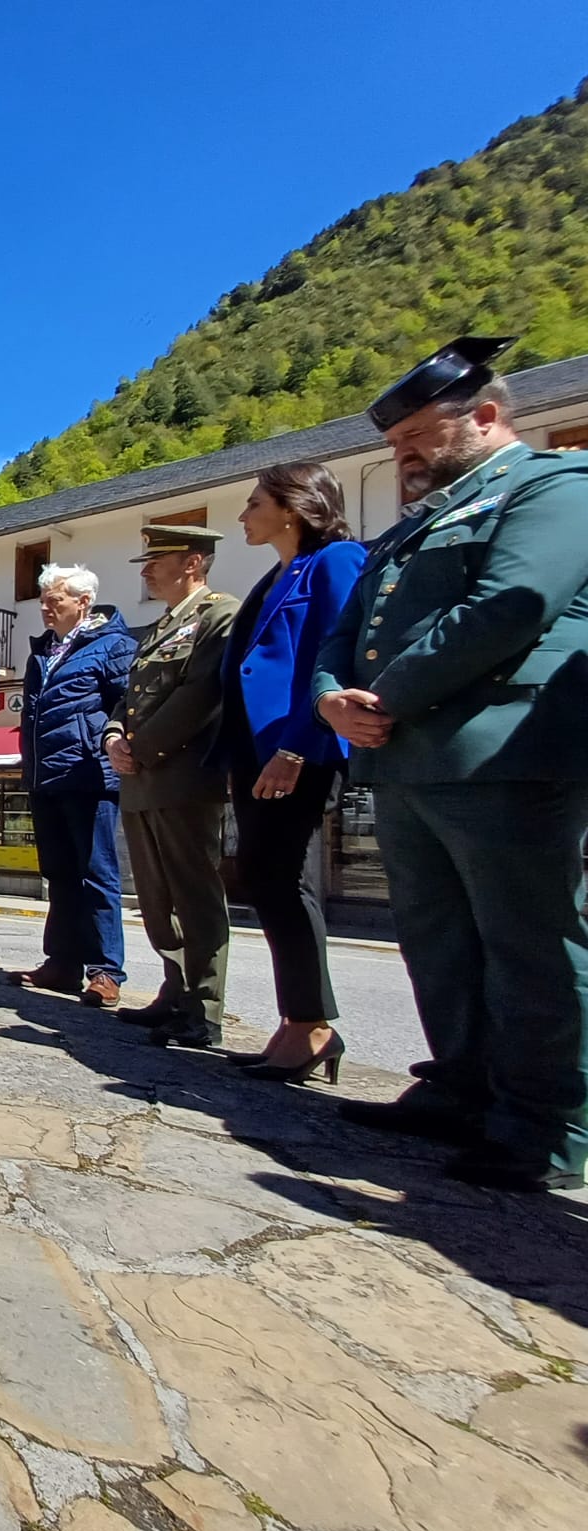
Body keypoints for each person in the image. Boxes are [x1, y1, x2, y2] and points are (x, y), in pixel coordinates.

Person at [313, 336, 588, 1193]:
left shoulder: (553, 489)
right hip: (405, 763)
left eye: (419, 438)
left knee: (527, 941)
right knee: (436, 938)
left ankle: (548, 1124)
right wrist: (330, 695)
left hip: (500, 751)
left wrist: (383, 695)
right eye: (395, 448)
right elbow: (343, 632)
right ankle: (462, 1087)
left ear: (488, 416)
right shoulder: (405, 533)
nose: (405, 457)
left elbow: (508, 607)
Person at [218, 463, 365, 1084]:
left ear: (292, 508)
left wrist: (301, 746)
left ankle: (312, 1025)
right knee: (262, 875)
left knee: (282, 876)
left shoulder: (334, 561)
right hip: (254, 749)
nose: (243, 514)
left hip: (295, 747)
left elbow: (336, 655)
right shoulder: (271, 576)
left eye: (254, 503)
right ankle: (295, 1019)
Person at [103, 526, 240, 1048]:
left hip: (183, 777)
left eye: (155, 561)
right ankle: (174, 990)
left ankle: (203, 1010)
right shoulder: (162, 625)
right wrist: (114, 735)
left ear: (192, 563)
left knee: (194, 896)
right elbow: (129, 699)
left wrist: (141, 748)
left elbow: (200, 694)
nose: (144, 571)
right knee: (157, 898)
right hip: (141, 780)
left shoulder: (219, 615)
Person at [10, 564, 137, 1005]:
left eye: (55, 600)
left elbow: (129, 702)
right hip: (48, 778)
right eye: (43, 599)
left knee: (97, 873)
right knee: (59, 874)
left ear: (83, 602)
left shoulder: (113, 645)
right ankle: (62, 963)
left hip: (89, 775)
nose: (45, 607)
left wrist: (114, 744)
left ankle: (105, 971)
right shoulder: (41, 652)